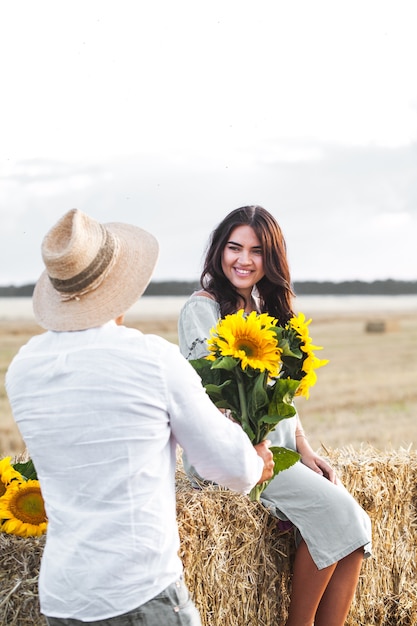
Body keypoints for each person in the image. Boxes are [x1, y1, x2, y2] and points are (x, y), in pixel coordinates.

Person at [5, 208, 274, 626]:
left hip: (62, 597)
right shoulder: (151, 358)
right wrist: (256, 461)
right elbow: (230, 468)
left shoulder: (22, 369)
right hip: (140, 592)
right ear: (122, 286)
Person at [178, 205, 372, 626]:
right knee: (345, 519)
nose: (243, 260)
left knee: (354, 538)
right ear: (219, 251)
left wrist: (303, 447)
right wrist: (249, 451)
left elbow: (282, 396)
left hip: (276, 451)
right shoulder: (203, 310)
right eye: (234, 248)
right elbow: (208, 394)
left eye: (256, 251)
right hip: (232, 457)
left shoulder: (266, 311)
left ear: (272, 258)